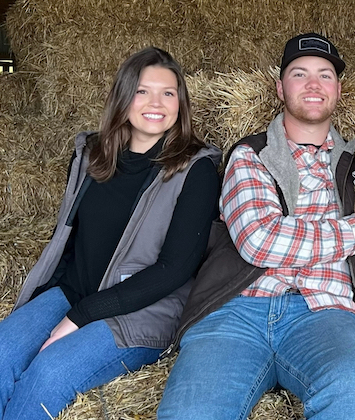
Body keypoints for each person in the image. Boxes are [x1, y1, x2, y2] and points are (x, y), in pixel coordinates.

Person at [157, 33, 355, 420]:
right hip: (238, 310)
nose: (313, 84)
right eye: (300, 74)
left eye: (324, 75)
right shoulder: (251, 154)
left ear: (339, 90)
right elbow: (259, 239)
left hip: (326, 311)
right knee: (189, 413)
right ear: (280, 88)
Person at [0, 47, 221, 420]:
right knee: (3, 353)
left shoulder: (194, 169)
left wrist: (82, 316)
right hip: (74, 291)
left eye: (168, 93)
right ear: (123, 97)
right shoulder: (90, 156)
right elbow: (69, 238)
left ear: (181, 103)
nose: (157, 103)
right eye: (142, 91)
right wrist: (47, 297)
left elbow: (174, 269)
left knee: (46, 376)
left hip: (141, 312)